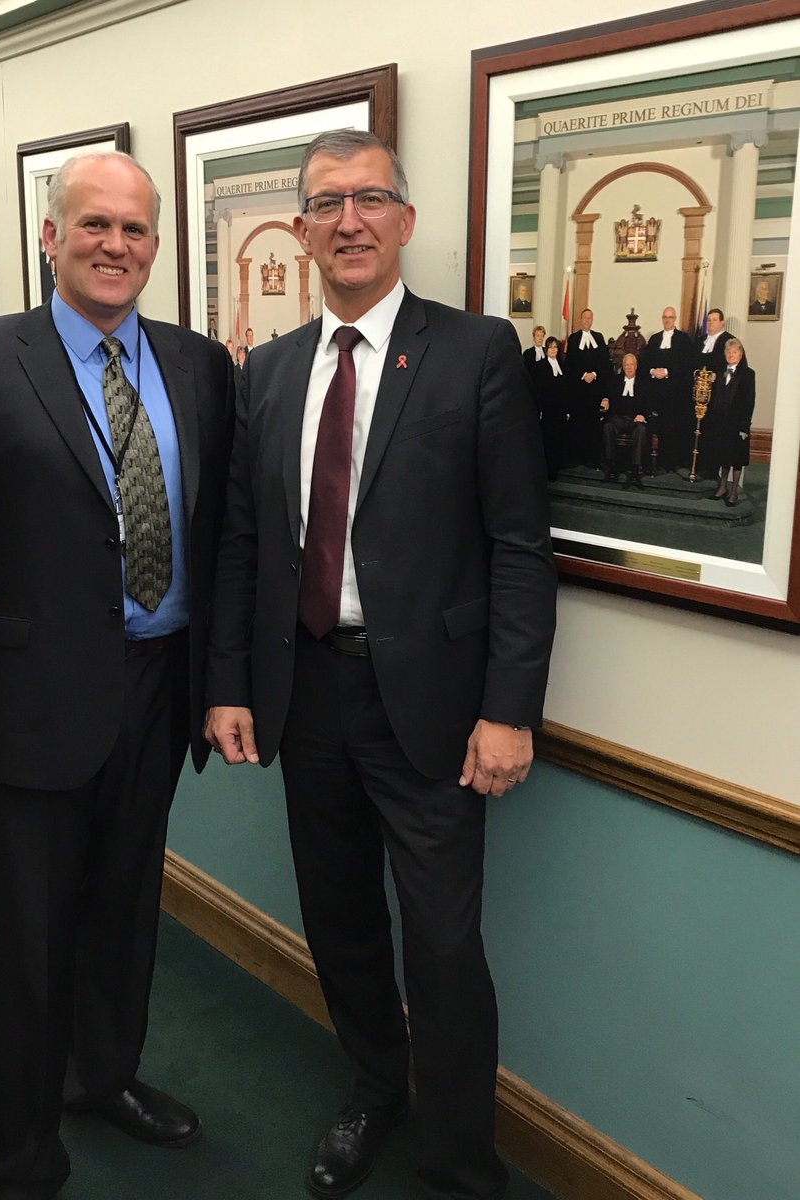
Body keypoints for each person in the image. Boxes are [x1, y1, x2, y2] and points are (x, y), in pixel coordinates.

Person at [204, 129, 557, 1200]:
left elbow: (517, 548)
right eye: (325, 203)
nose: (347, 220)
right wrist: (226, 680)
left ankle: (456, 1163)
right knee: (339, 918)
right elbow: (242, 541)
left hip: (435, 708)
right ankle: (373, 1082)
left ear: (403, 220)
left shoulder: (473, 353)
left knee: (443, 947)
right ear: (300, 229)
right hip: (303, 692)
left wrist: (508, 709)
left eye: (369, 199)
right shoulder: (264, 371)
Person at [0, 150, 235, 1200]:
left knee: (125, 910)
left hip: (158, 691)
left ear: (156, 246)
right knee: (30, 937)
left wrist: (220, 681)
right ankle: (18, 1145)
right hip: (28, 702)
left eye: (133, 230)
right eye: (93, 225)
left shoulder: (199, 364)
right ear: (51, 236)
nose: (114, 246)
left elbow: (221, 538)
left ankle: (104, 1076)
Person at [701, 336, 755, 504]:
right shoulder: (720, 371)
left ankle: (733, 492)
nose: (731, 355)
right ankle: (722, 487)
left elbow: (749, 400)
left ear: (740, 354)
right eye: (729, 352)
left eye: (734, 352)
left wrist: (744, 427)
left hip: (737, 423)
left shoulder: (748, 374)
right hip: (721, 422)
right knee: (723, 456)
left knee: (736, 458)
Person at [639, 306, 693, 470]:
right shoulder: (655, 339)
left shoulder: (683, 339)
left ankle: (669, 462)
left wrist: (668, 372)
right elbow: (644, 363)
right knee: (655, 425)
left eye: (670, 317)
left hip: (675, 393)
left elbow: (687, 365)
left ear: (675, 319)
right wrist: (653, 371)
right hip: (655, 391)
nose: (667, 320)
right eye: (665, 317)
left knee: (671, 428)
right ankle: (649, 463)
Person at [564, 307, 611, 465]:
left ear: (592, 320)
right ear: (580, 320)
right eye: (584, 318)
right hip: (579, 389)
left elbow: (605, 362)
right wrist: (584, 375)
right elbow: (570, 364)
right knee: (578, 423)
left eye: (589, 318)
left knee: (593, 424)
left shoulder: (598, 337)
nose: (586, 321)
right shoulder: (574, 338)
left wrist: (594, 374)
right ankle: (577, 457)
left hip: (595, 389)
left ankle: (593, 458)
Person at [601, 352, 648, 488]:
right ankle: (611, 467)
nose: (629, 367)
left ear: (636, 366)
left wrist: (643, 415)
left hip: (634, 419)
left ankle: (634, 471)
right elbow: (606, 394)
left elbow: (649, 403)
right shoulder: (616, 380)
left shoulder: (643, 383)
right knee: (607, 427)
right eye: (626, 364)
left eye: (631, 364)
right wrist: (605, 399)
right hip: (618, 419)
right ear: (622, 366)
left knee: (641, 429)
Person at [536, 335, 568, 481]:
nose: (553, 349)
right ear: (546, 349)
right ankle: (548, 469)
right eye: (551, 347)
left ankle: (556, 466)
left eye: (555, 347)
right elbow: (541, 389)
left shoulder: (561, 364)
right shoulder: (542, 365)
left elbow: (566, 389)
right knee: (548, 439)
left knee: (559, 438)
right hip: (548, 409)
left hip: (560, 409)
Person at [695, 307, 732, 376]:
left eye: (714, 320)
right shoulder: (700, 341)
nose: (711, 323)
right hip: (699, 384)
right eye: (709, 320)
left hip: (719, 384)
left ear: (722, 322)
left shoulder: (729, 341)